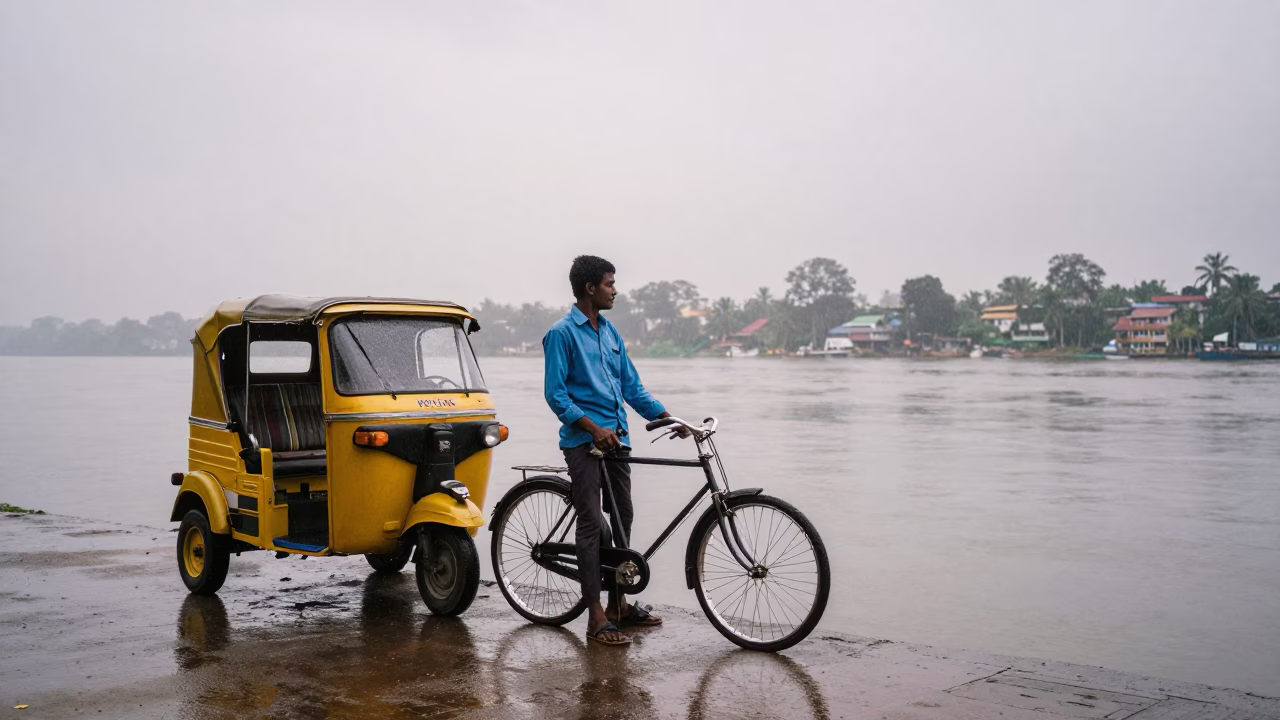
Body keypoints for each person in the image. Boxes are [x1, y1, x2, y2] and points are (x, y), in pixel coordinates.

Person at [543, 255, 688, 646]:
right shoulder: (561, 334)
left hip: (618, 441)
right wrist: (592, 428)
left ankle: (618, 605)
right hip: (583, 444)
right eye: (610, 284)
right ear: (590, 288)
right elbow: (555, 395)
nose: (615, 290)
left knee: (622, 519)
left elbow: (632, 387)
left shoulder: (610, 333)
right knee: (592, 523)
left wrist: (667, 417)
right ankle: (594, 617)